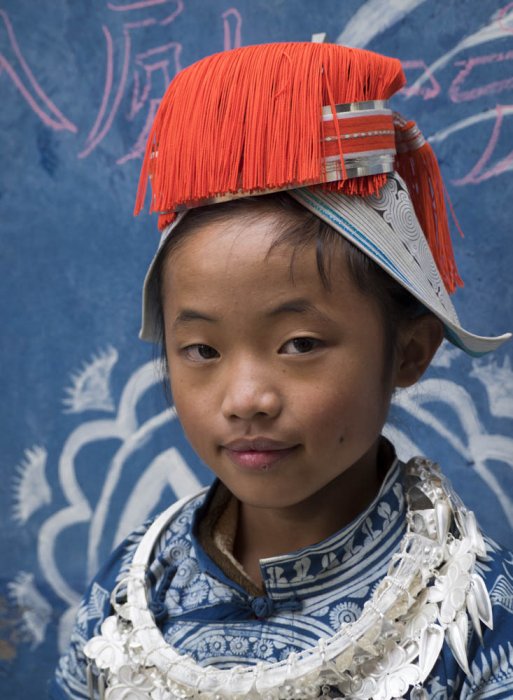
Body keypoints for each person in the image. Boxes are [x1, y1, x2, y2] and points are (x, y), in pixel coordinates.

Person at [51, 41, 513, 700]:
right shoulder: (129, 594)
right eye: (203, 350)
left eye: (298, 344)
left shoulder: (477, 619)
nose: (246, 399)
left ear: (409, 352)